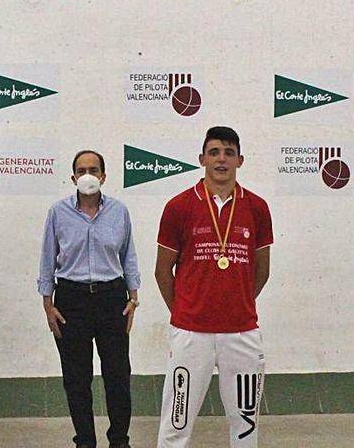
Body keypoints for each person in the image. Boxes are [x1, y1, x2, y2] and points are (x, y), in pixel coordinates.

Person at [154, 126, 272, 447]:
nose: (222, 159)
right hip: (191, 334)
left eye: (229, 153)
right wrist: (184, 310)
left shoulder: (257, 208)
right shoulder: (178, 206)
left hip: (242, 333)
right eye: (215, 152)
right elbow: (163, 270)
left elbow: (262, 269)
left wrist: (238, 302)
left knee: (245, 423)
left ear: (240, 160)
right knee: (177, 421)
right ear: (202, 159)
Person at [38, 150, 140, 448]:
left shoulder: (119, 211)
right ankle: (85, 441)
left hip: (112, 298)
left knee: (118, 377)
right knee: (76, 379)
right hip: (71, 300)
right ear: (73, 178)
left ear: (103, 176)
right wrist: (47, 303)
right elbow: (47, 258)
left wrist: (133, 298)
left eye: (93, 169)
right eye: (81, 170)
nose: (87, 175)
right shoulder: (58, 212)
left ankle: (119, 440)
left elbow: (128, 256)